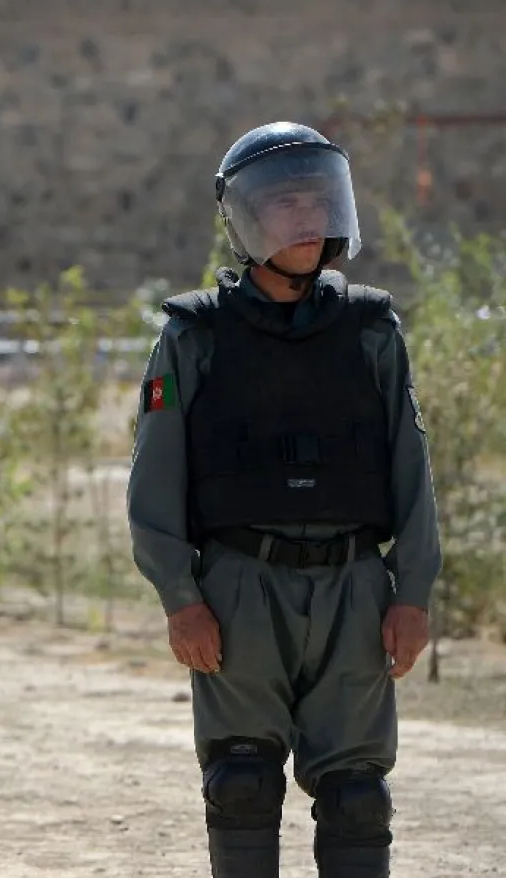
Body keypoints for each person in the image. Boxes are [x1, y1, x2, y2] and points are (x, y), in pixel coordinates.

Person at [126, 122, 441, 878]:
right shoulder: (193, 335)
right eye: (286, 202)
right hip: (238, 587)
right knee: (240, 784)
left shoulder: (371, 329)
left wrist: (415, 592)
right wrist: (180, 596)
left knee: (358, 794)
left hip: (356, 588)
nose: (308, 217)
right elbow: (156, 473)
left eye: (318, 198)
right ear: (245, 218)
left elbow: (410, 463)